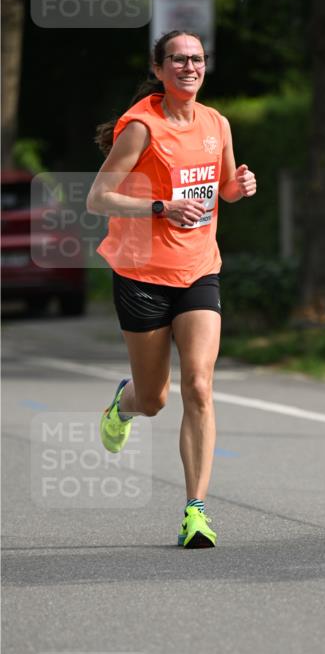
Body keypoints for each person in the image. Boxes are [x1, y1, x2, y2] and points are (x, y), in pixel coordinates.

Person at [87, 29, 256, 548]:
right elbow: (98, 198)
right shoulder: (142, 127)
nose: (189, 67)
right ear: (159, 70)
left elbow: (223, 188)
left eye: (197, 59)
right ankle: (123, 406)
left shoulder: (216, 123)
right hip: (141, 274)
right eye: (178, 60)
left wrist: (239, 186)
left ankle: (195, 511)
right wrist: (161, 207)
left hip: (199, 269)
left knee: (199, 385)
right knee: (154, 398)